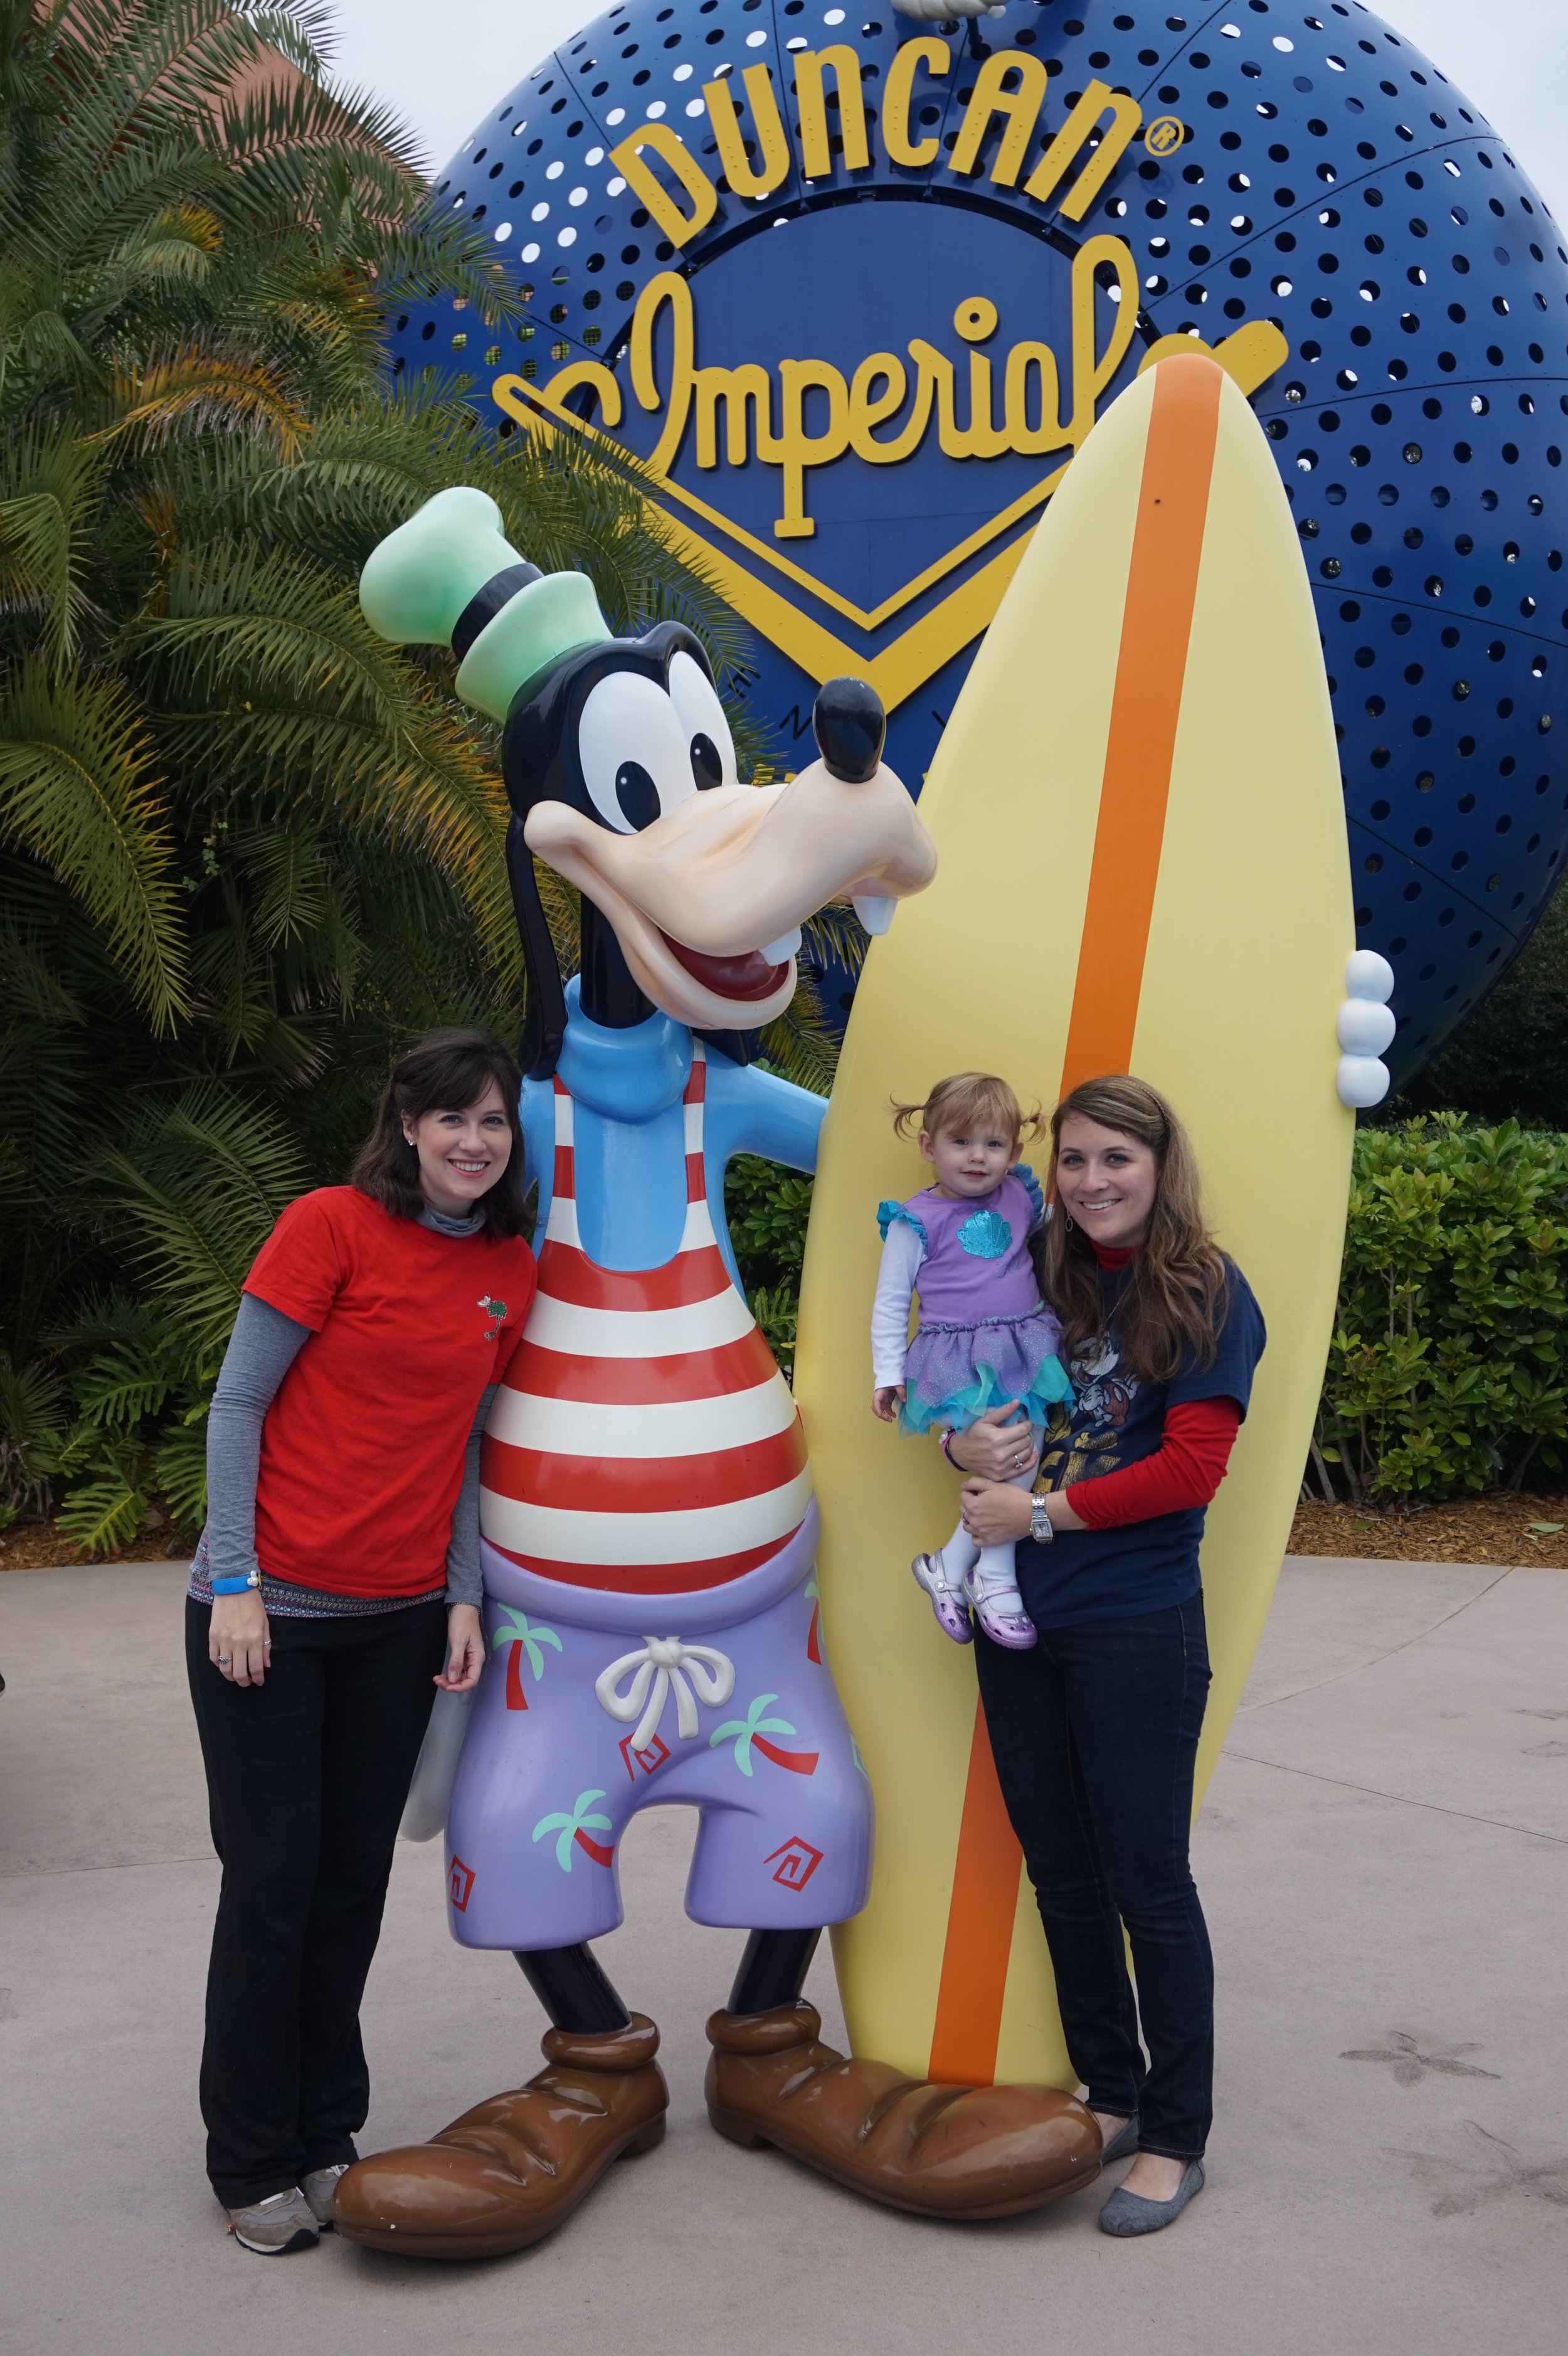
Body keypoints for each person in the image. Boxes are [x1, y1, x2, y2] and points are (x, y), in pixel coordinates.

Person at [184, 1031, 538, 2255]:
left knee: (350, 1889)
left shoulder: (507, 1266)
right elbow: (239, 1403)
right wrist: (234, 1580)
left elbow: (469, 1444)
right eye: (449, 1119)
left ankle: (329, 2134)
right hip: (265, 1620)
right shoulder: (326, 1226)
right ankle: (248, 2162)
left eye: (490, 1121)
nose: (470, 1141)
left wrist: (461, 1594)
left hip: (396, 1624)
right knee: (273, 1889)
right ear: (403, 1124)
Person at [948, 1075, 1264, 2237]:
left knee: (1149, 1885)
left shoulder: (1210, 1292)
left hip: (1134, 1622)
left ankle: (1177, 2135)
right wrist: (959, 1437)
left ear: (1157, 1164)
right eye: (1074, 1161)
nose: (1091, 1183)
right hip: (1019, 1621)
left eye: (1114, 1162)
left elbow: (1191, 1471)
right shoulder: (1039, 1271)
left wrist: (1036, 1516)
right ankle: (1113, 2091)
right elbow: (970, 1395)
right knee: (1062, 1870)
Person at [871, 1073, 1073, 1648]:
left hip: (1024, 1342)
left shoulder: (1018, 1193)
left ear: (1013, 1151)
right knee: (1007, 1455)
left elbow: (1042, 1234)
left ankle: (950, 1565)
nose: (978, 1158)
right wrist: (887, 1375)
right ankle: (995, 1573)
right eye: (961, 1143)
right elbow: (890, 1305)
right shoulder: (915, 1222)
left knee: (1021, 1449)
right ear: (929, 1146)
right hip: (958, 1356)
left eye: (994, 1144)